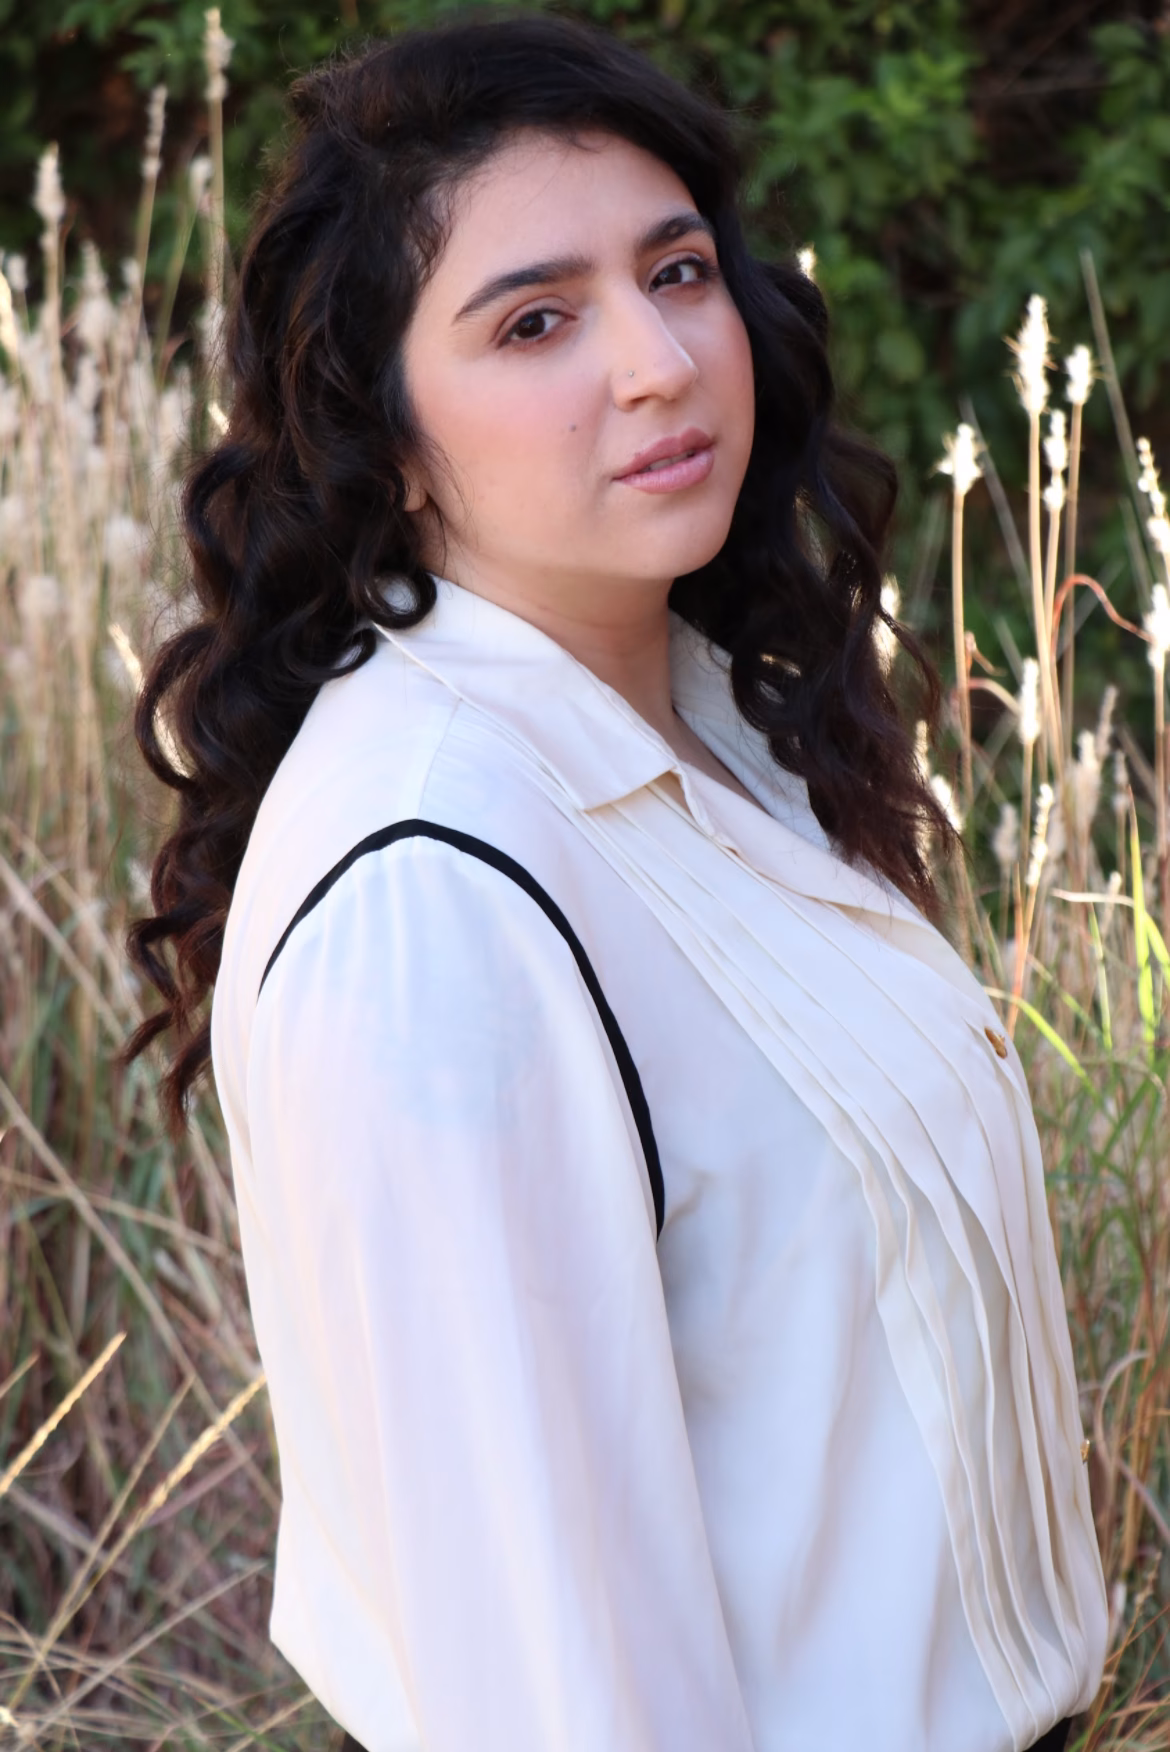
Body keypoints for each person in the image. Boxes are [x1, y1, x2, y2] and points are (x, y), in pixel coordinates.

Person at [127, 14, 1107, 1752]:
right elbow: (545, 1690)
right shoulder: (432, 900)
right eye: (534, 322)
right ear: (381, 431)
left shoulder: (711, 731)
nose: (658, 362)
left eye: (676, 272)